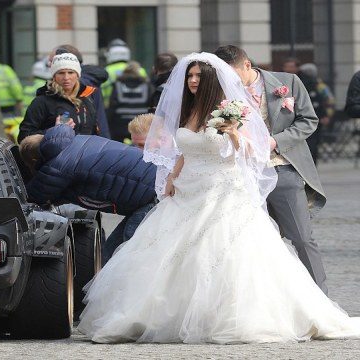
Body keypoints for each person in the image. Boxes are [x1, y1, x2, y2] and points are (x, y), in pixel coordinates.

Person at [78, 52, 360, 344]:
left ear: (212, 79)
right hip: (189, 189)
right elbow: (185, 150)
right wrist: (173, 176)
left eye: (199, 76)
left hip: (223, 189)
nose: (192, 81)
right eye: (189, 76)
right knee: (171, 251)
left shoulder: (232, 108)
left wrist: (235, 132)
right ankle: (161, 314)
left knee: (227, 252)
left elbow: (251, 151)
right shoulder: (186, 111)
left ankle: (227, 315)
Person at [215, 45, 328, 294]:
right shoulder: (220, 91)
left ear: (247, 65)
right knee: (254, 242)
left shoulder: (288, 82)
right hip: (241, 176)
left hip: (283, 168)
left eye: (232, 74)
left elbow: (309, 120)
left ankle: (321, 299)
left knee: (302, 238)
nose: (229, 81)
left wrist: (277, 142)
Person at [19, 124, 157, 264]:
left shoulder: (57, 165)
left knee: (130, 252)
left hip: (151, 195)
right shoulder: (74, 140)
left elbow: (34, 196)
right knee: (111, 251)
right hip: (155, 184)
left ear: (34, 160)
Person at [17, 52, 97, 144]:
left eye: (70, 72)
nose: (66, 77)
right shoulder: (41, 102)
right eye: (61, 73)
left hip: (86, 155)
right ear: (54, 76)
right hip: (56, 157)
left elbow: (94, 132)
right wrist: (54, 132)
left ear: (77, 75)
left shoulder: (87, 98)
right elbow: (23, 137)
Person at [53, 45, 111, 138]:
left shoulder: (76, 86)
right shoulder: (90, 80)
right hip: (96, 140)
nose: (50, 64)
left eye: (53, 61)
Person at [299, 63, 335, 166]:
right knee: (313, 143)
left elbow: (327, 100)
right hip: (315, 117)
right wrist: (326, 115)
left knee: (313, 143)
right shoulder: (315, 84)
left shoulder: (318, 85)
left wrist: (326, 114)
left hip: (313, 117)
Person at [107, 61, 151, 142]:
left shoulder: (118, 84)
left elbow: (113, 104)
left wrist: (108, 121)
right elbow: (150, 103)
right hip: (140, 123)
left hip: (120, 123)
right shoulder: (145, 84)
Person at [101, 39, 148, 106]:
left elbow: (102, 91)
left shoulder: (106, 70)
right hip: (138, 106)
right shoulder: (140, 70)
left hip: (113, 107)